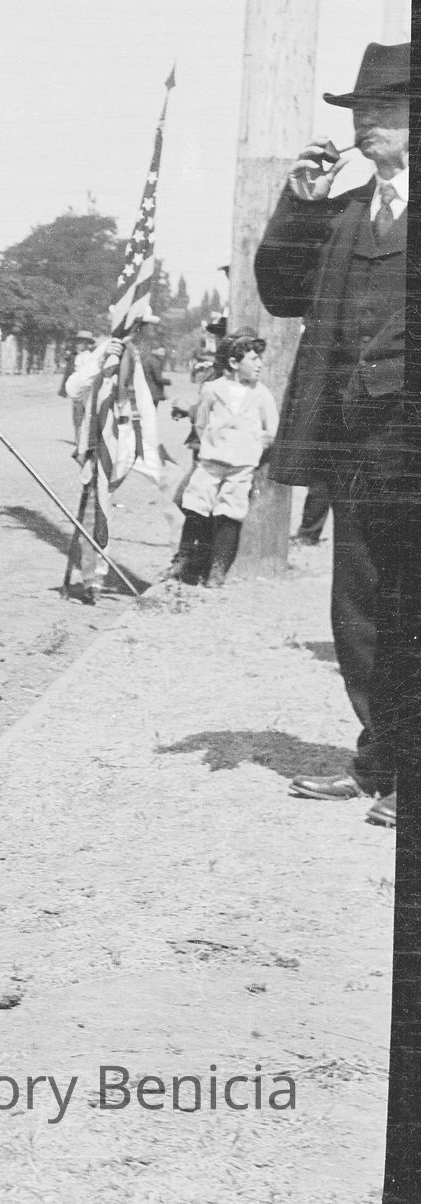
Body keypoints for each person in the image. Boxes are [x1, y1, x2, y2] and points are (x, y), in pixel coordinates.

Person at [261, 40, 413, 830]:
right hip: (355, 447)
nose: (366, 122)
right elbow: (282, 293)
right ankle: (379, 763)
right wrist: (299, 205)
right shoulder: (346, 211)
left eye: (384, 107)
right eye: (360, 110)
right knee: (359, 609)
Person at [167, 333, 277, 587]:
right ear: (234, 363)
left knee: (230, 513)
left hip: (241, 467)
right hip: (211, 462)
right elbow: (201, 422)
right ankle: (184, 557)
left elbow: (271, 430)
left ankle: (218, 569)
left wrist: (251, 448)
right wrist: (213, 444)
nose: (259, 364)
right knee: (195, 505)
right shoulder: (213, 389)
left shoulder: (261, 394)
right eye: (253, 359)